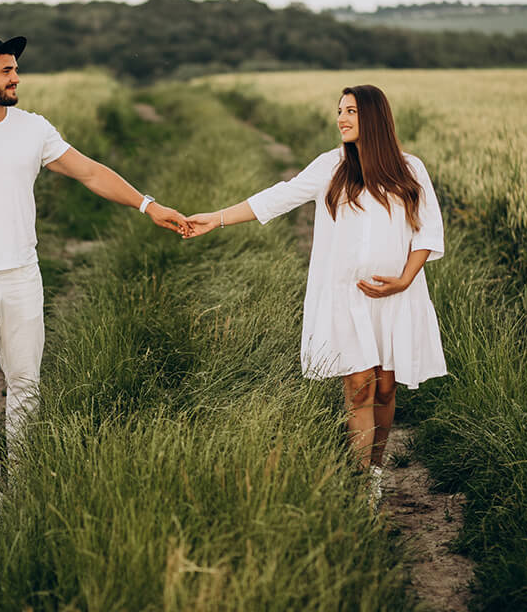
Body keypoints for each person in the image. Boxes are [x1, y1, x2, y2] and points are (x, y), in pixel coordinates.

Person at [0, 31, 191, 524]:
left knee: (26, 383)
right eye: (8, 70)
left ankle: (24, 476)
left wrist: (148, 205)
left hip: (22, 278)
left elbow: (90, 172)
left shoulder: (33, 129)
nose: (17, 77)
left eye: (15, 69)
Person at [185, 85, 446, 511]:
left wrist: (404, 280)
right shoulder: (332, 166)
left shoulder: (409, 169)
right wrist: (217, 218)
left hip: (396, 297)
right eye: (339, 110)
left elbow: (427, 231)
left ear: (374, 116)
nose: (341, 118)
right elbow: (279, 196)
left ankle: (376, 468)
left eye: (351, 111)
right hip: (346, 297)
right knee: (359, 388)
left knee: (385, 389)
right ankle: (364, 486)